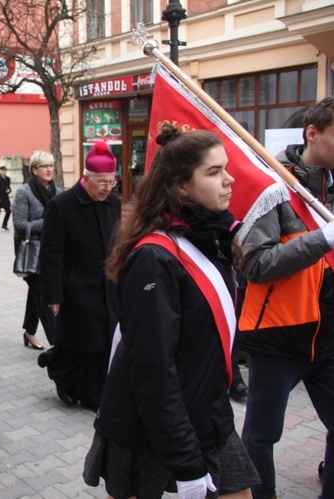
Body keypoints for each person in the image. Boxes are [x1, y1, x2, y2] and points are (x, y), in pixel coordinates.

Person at [83, 124, 259, 499]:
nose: (229, 180)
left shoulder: (214, 238)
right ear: (181, 185)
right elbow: (152, 369)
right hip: (149, 423)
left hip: (208, 414)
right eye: (213, 172)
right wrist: (186, 461)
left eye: (225, 168)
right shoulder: (155, 258)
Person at [238, 96, 334, 499]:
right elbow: (255, 264)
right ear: (313, 133)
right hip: (280, 335)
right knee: (262, 435)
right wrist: (322, 238)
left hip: (328, 337)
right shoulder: (275, 186)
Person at [37, 141, 120, 409]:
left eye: (112, 182)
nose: (108, 188)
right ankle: (63, 374)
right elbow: (51, 254)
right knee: (82, 343)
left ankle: (95, 393)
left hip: (107, 285)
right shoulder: (61, 205)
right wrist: (52, 294)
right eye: (102, 183)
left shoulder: (113, 203)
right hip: (76, 287)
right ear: (87, 178)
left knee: (104, 340)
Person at [12, 152, 61, 349]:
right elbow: (19, 224)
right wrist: (48, 222)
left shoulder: (57, 191)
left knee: (36, 294)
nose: (49, 169)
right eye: (44, 166)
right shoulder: (24, 192)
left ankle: (29, 333)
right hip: (32, 253)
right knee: (44, 298)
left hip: (51, 252)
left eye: (51, 165)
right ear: (34, 169)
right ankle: (58, 345)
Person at [0, 166, 12, 231]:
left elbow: (8, 188)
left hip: (5, 198)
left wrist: (9, 190)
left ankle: (4, 224)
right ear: (0, 171)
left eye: (5, 170)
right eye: (3, 170)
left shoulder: (8, 179)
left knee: (8, 211)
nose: (5, 171)